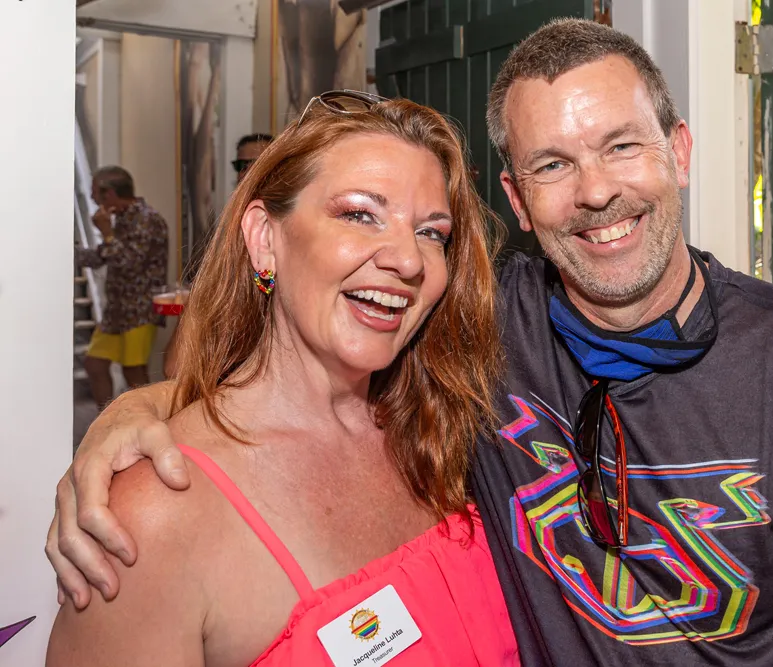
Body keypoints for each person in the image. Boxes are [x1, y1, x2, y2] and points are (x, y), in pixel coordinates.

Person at [49, 20, 773, 666]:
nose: (596, 191)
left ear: (678, 151)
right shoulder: (478, 329)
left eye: (622, 146)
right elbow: (289, 384)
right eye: (553, 164)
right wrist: (130, 419)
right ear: (518, 200)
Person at [47, 94, 519, 666]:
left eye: (432, 233)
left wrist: (134, 404)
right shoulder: (157, 514)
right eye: (359, 214)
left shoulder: (448, 432)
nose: (408, 260)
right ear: (264, 238)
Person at [163, 134, 277, 379]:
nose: (247, 171)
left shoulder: (288, 224)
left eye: (257, 162)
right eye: (242, 165)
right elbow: (175, 367)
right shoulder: (232, 224)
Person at [77, 167, 169, 408]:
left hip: (139, 311)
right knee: (95, 364)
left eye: (94, 192)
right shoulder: (122, 218)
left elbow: (129, 263)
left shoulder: (148, 219)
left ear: (109, 194)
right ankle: (108, 421)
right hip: (116, 311)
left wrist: (107, 233)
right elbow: (104, 256)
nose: (92, 197)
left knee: (134, 372)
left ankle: (147, 422)